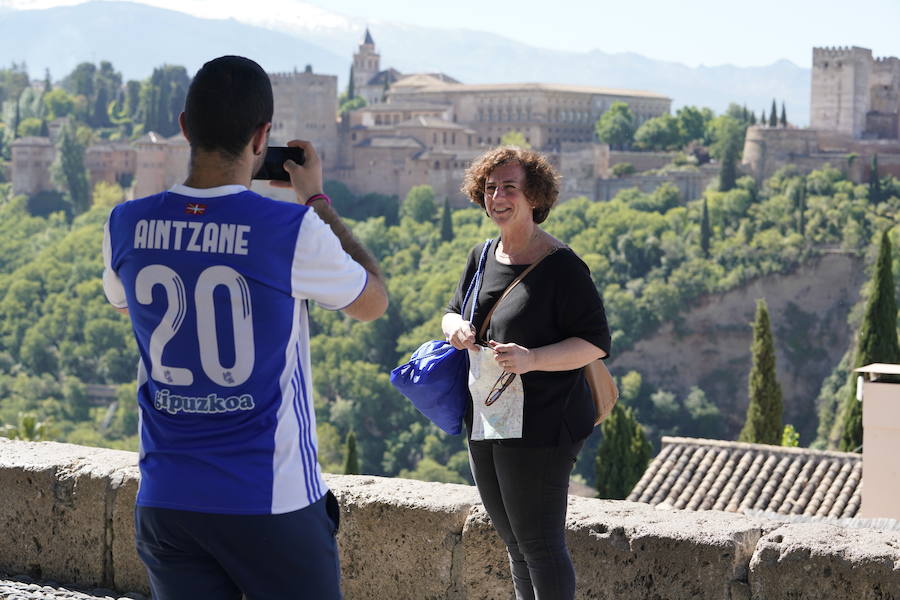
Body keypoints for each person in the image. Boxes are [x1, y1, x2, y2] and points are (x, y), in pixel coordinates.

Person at [101, 55, 388, 600]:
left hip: (167, 497)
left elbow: (127, 305)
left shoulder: (125, 223)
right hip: (271, 499)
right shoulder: (291, 229)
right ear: (263, 137)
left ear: (185, 128)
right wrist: (318, 202)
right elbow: (372, 301)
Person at [442, 146, 610, 600]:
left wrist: (532, 359)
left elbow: (594, 342)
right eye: (490, 187)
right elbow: (453, 312)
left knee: (540, 544)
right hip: (486, 415)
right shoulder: (482, 256)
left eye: (509, 187)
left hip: (543, 422)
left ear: (534, 196)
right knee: (514, 544)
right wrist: (455, 328)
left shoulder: (563, 268)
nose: (498, 196)